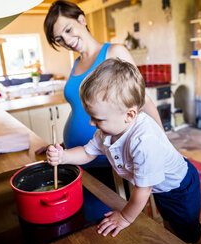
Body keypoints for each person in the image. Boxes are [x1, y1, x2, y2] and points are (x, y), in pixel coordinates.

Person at [46, 58, 201, 244]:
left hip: (179, 189)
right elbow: (87, 153)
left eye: (97, 119)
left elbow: (143, 190)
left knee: (189, 232)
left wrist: (124, 217)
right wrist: (64, 156)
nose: (91, 123)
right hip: (159, 188)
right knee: (170, 225)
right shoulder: (106, 132)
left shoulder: (144, 141)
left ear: (129, 115)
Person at [44, 0, 163, 189]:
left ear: (82, 20)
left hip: (107, 156)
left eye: (68, 30)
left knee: (111, 210)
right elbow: (80, 110)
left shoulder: (114, 52)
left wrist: (161, 140)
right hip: (77, 155)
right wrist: (61, 148)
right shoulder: (76, 64)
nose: (66, 41)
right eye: (59, 39)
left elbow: (143, 100)